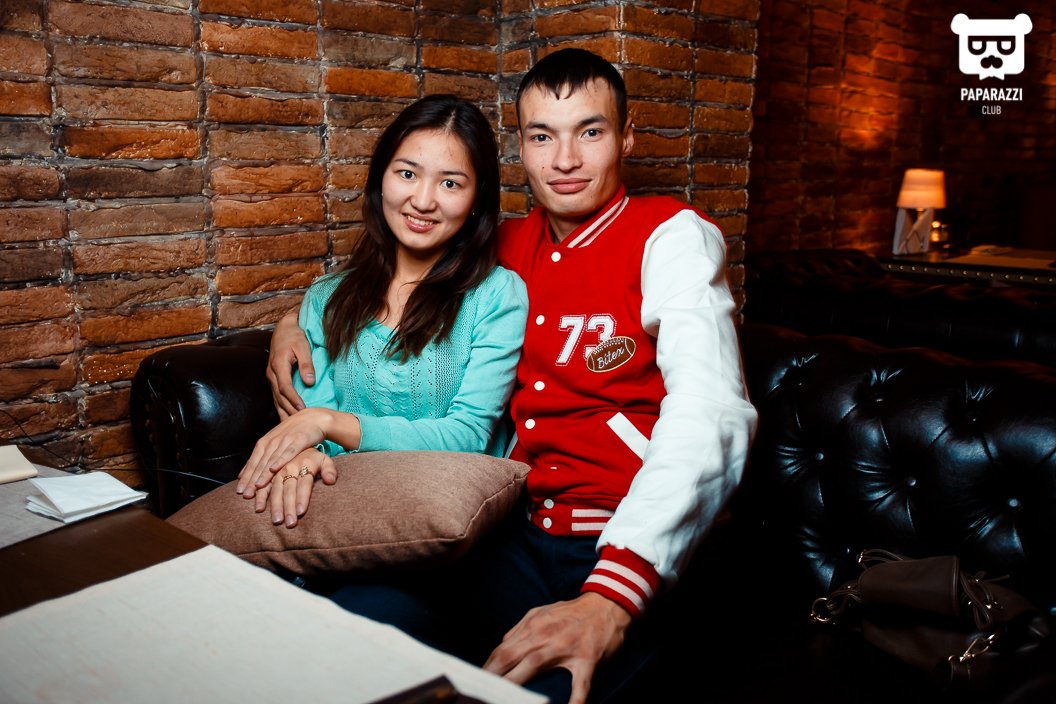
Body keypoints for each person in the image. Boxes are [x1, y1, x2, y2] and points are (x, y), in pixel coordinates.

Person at [267, 49, 758, 704]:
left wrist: (609, 599)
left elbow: (712, 412)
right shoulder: (499, 245)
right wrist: (289, 326)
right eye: (542, 136)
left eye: (590, 132)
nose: (565, 160)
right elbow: (390, 275)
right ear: (520, 146)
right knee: (357, 623)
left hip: (623, 538)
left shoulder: (669, 237)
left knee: (550, 689)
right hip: (514, 531)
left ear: (627, 136)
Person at [236, 94, 528, 530]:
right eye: (407, 174)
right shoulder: (327, 298)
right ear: (380, 178)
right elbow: (308, 424)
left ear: (476, 199)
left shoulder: (496, 295)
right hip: (350, 504)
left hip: (453, 515)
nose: (423, 201)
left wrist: (329, 424)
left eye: (450, 183)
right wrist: (308, 451)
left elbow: (468, 436)